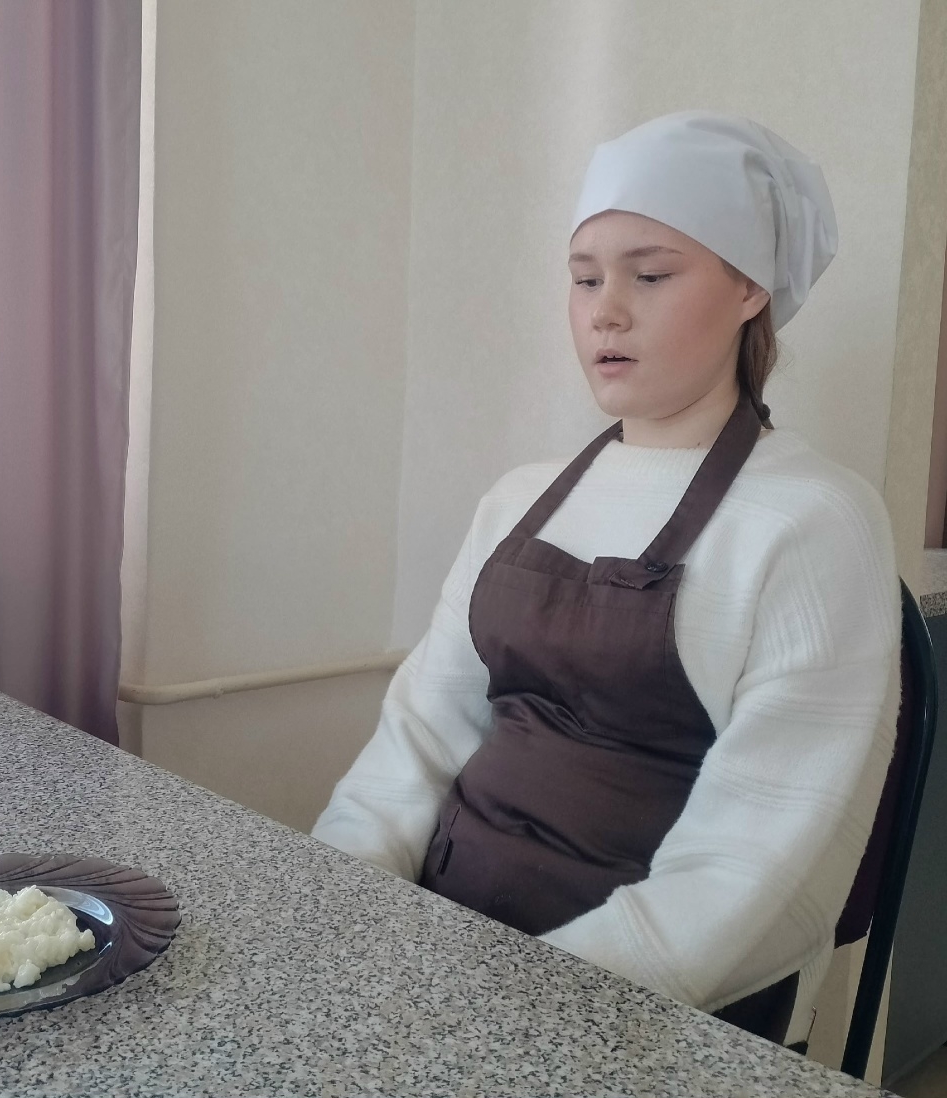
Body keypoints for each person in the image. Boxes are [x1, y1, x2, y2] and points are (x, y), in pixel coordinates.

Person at [311, 110, 901, 1049]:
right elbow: (418, 739)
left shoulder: (816, 521)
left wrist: (518, 1017)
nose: (605, 312)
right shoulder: (519, 498)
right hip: (442, 943)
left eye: (651, 275)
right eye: (585, 278)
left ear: (750, 286)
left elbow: (760, 860)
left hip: (651, 1011)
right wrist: (337, 908)